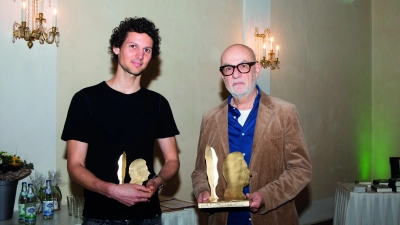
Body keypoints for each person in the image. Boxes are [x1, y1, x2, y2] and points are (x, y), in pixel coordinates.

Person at [61, 17, 180, 225]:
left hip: (148, 217)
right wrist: (112, 190)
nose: (139, 55)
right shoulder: (85, 100)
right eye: (133, 46)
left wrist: (158, 180)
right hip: (100, 217)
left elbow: (172, 160)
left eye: (147, 50)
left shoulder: (158, 103)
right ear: (116, 48)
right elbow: (75, 166)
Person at [191, 44, 312, 225]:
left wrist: (266, 196)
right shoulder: (210, 119)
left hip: (272, 218)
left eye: (243, 66)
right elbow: (200, 171)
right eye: (228, 68)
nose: (236, 74)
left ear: (256, 69)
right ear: (222, 75)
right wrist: (202, 190)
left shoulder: (284, 113)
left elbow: (301, 169)